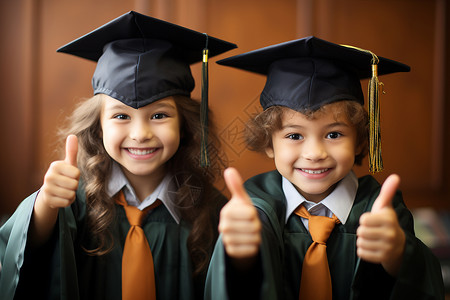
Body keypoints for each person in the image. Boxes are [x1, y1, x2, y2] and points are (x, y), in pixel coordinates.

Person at [0, 11, 236, 300]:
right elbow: (24, 258)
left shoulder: (211, 210)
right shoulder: (74, 202)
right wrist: (46, 205)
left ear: (186, 125)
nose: (140, 134)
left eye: (159, 115)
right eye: (121, 115)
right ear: (98, 127)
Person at [205, 36, 444, 300]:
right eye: (295, 136)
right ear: (268, 143)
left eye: (334, 135)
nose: (315, 154)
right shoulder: (253, 209)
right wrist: (240, 258)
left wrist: (398, 255)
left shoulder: (380, 211)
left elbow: (420, 284)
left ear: (360, 140)